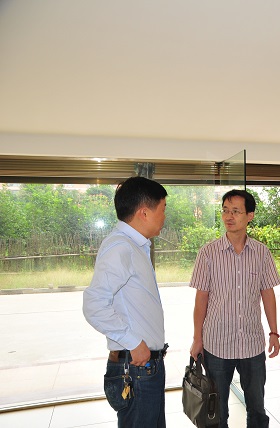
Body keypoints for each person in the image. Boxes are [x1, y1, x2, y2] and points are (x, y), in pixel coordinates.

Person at [83, 176, 169, 427]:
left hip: (144, 365)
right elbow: (94, 305)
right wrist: (133, 342)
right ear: (144, 212)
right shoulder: (121, 246)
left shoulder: (135, 245)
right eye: (163, 209)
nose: (164, 217)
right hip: (136, 367)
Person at [190, 189, 280, 428]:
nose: (229, 216)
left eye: (236, 211)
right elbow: (201, 300)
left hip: (252, 343)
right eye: (225, 211)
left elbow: (268, 294)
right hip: (217, 343)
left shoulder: (261, 252)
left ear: (250, 215)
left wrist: (274, 332)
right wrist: (197, 338)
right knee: (217, 410)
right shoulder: (208, 253)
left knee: (257, 407)